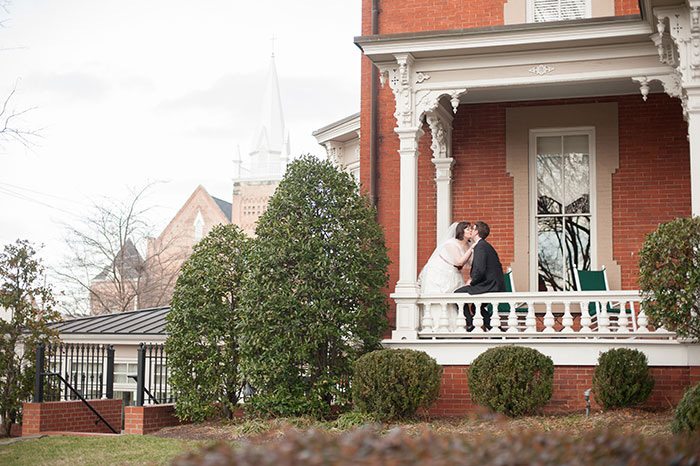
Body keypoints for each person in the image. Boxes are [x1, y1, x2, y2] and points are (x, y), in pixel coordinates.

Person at [455, 221, 505, 331]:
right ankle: (495, 330)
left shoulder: (480, 246)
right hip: (495, 284)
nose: (471, 231)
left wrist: (472, 281)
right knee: (475, 306)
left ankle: (469, 323)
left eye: (473, 229)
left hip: (490, 285)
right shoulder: (485, 245)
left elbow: (480, 270)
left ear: (476, 232)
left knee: (456, 295)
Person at [418, 221, 475, 296]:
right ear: (461, 232)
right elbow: (459, 262)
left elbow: (471, 263)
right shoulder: (451, 244)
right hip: (440, 272)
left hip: (455, 272)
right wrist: (471, 248)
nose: (471, 231)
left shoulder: (468, 244)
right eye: (468, 229)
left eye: (471, 229)